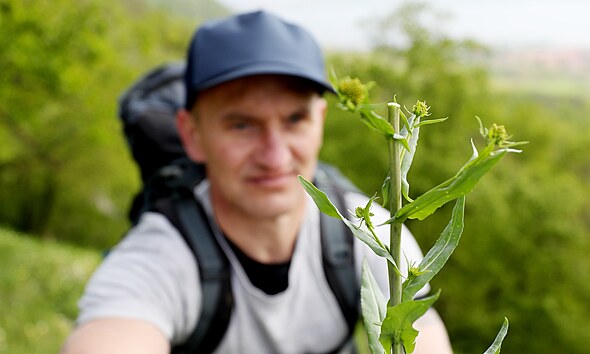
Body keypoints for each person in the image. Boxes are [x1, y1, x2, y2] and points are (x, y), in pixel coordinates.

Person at [61, 10, 453, 354]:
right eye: (242, 124)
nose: (275, 155)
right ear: (192, 135)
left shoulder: (373, 233)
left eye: (295, 119)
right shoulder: (159, 257)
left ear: (321, 119)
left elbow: (422, 334)